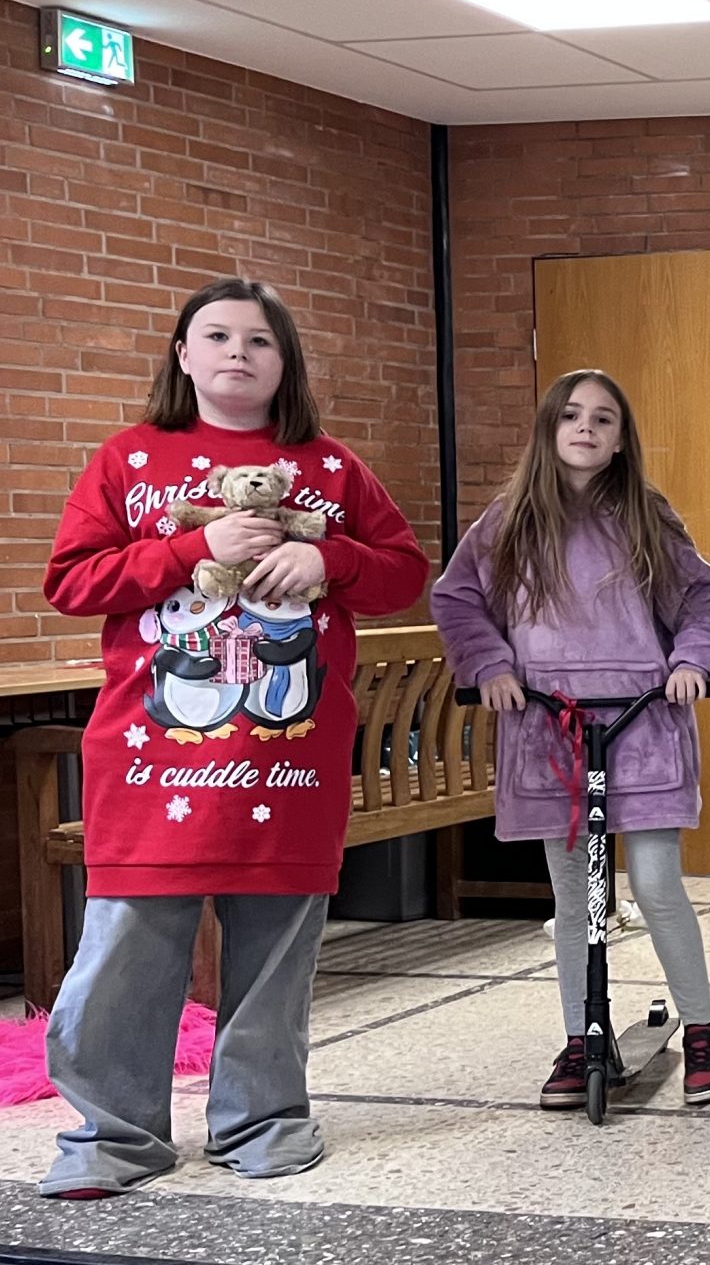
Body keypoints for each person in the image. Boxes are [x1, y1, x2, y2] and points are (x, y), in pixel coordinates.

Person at [39, 278, 431, 1198]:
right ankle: (114, 1133)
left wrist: (327, 556)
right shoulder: (128, 460)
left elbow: (403, 572)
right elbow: (72, 581)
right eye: (216, 336)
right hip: (151, 764)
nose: (237, 353)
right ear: (183, 356)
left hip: (289, 761)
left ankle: (264, 1120)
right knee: (125, 949)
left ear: (285, 361)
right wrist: (193, 549)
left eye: (259, 340)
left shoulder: (331, 468)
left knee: (276, 952)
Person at [431, 368, 710, 1111]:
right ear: (549, 428)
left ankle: (703, 1029)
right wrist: (489, 664)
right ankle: (581, 1033)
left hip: (640, 719)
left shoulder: (644, 515)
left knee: (656, 883)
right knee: (576, 898)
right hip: (548, 727)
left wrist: (692, 661)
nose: (586, 429)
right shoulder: (508, 521)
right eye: (571, 415)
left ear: (621, 438)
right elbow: (458, 598)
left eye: (604, 418)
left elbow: (702, 594)